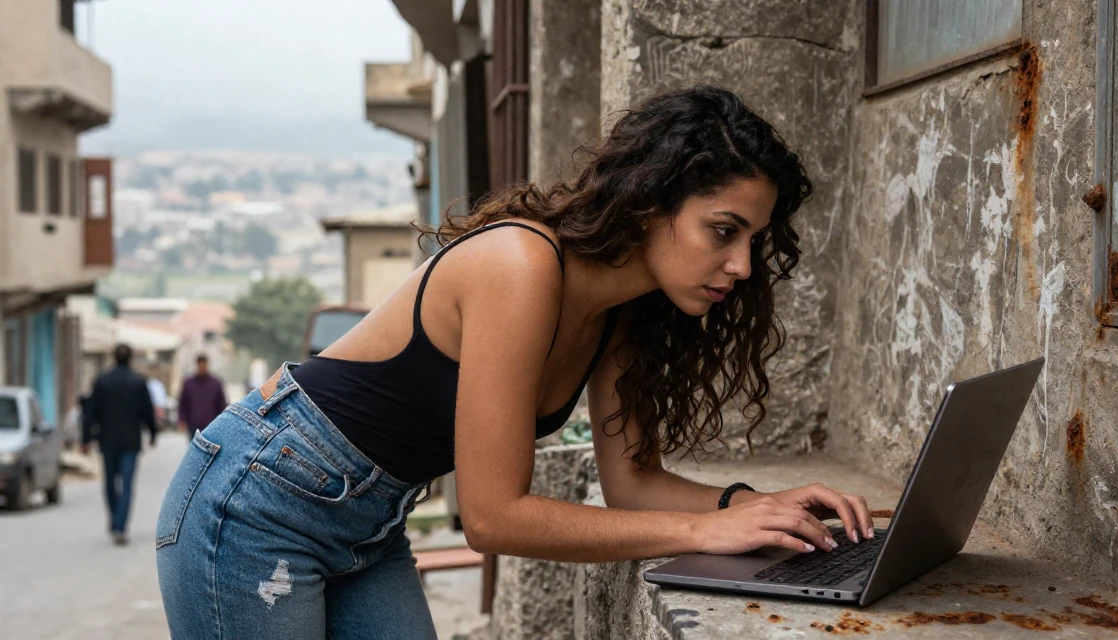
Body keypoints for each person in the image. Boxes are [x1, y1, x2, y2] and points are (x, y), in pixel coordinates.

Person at [156, 86, 874, 638]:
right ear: (654, 203)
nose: (743, 265)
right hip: (257, 505)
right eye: (724, 231)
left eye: (753, 239)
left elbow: (633, 486)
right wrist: (703, 532)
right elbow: (495, 519)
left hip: (368, 525)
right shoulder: (521, 264)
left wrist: (752, 508)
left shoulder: (617, 316)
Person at [82, 343, 157, 546]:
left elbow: (89, 412)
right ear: (131, 358)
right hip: (131, 441)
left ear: (113, 358)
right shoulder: (138, 382)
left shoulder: (102, 381)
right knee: (126, 485)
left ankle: (115, 519)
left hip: (107, 440)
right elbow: (148, 411)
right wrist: (152, 433)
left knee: (109, 483)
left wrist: (85, 439)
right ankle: (120, 526)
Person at [177, 354, 226, 438]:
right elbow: (183, 403)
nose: (202, 367)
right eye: (200, 365)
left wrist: (222, 422)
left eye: (204, 365)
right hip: (193, 424)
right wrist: (182, 420)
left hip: (211, 424)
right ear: (197, 365)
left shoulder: (215, 384)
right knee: (195, 449)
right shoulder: (189, 383)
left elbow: (221, 404)